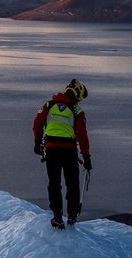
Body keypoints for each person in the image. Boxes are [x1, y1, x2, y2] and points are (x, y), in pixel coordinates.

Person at [32, 78, 91, 229]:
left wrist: (37, 143)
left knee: (54, 184)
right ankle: (72, 215)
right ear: (77, 95)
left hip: (51, 150)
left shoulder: (49, 105)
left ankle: (57, 217)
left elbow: (37, 124)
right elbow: (82, 136)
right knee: (72, 183)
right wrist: (86, 157)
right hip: (69, 151)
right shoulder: (77, 111)